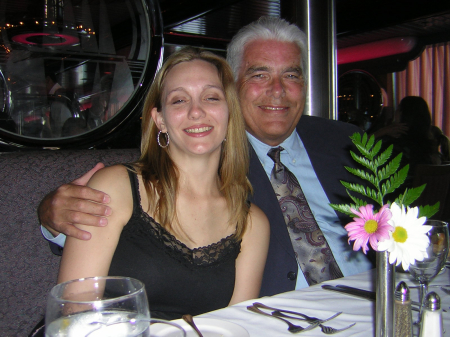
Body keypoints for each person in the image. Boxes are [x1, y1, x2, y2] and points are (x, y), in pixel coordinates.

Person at [39, 17, 373, 297]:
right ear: (235, 87)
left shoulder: (347, 141)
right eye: (259, 75)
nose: (277, 90)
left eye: (291, 74)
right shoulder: (199, 150)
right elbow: (117, 217)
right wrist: (52, 214)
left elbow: (397, 226)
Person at [55, 47, 270, 319]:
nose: (196, 111)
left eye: (211, 97)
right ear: (160, 120)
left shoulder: (252, 223)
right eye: (179, 100)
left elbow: (237, 327)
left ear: (229, 115)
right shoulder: (115, 187)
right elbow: (74, 311)